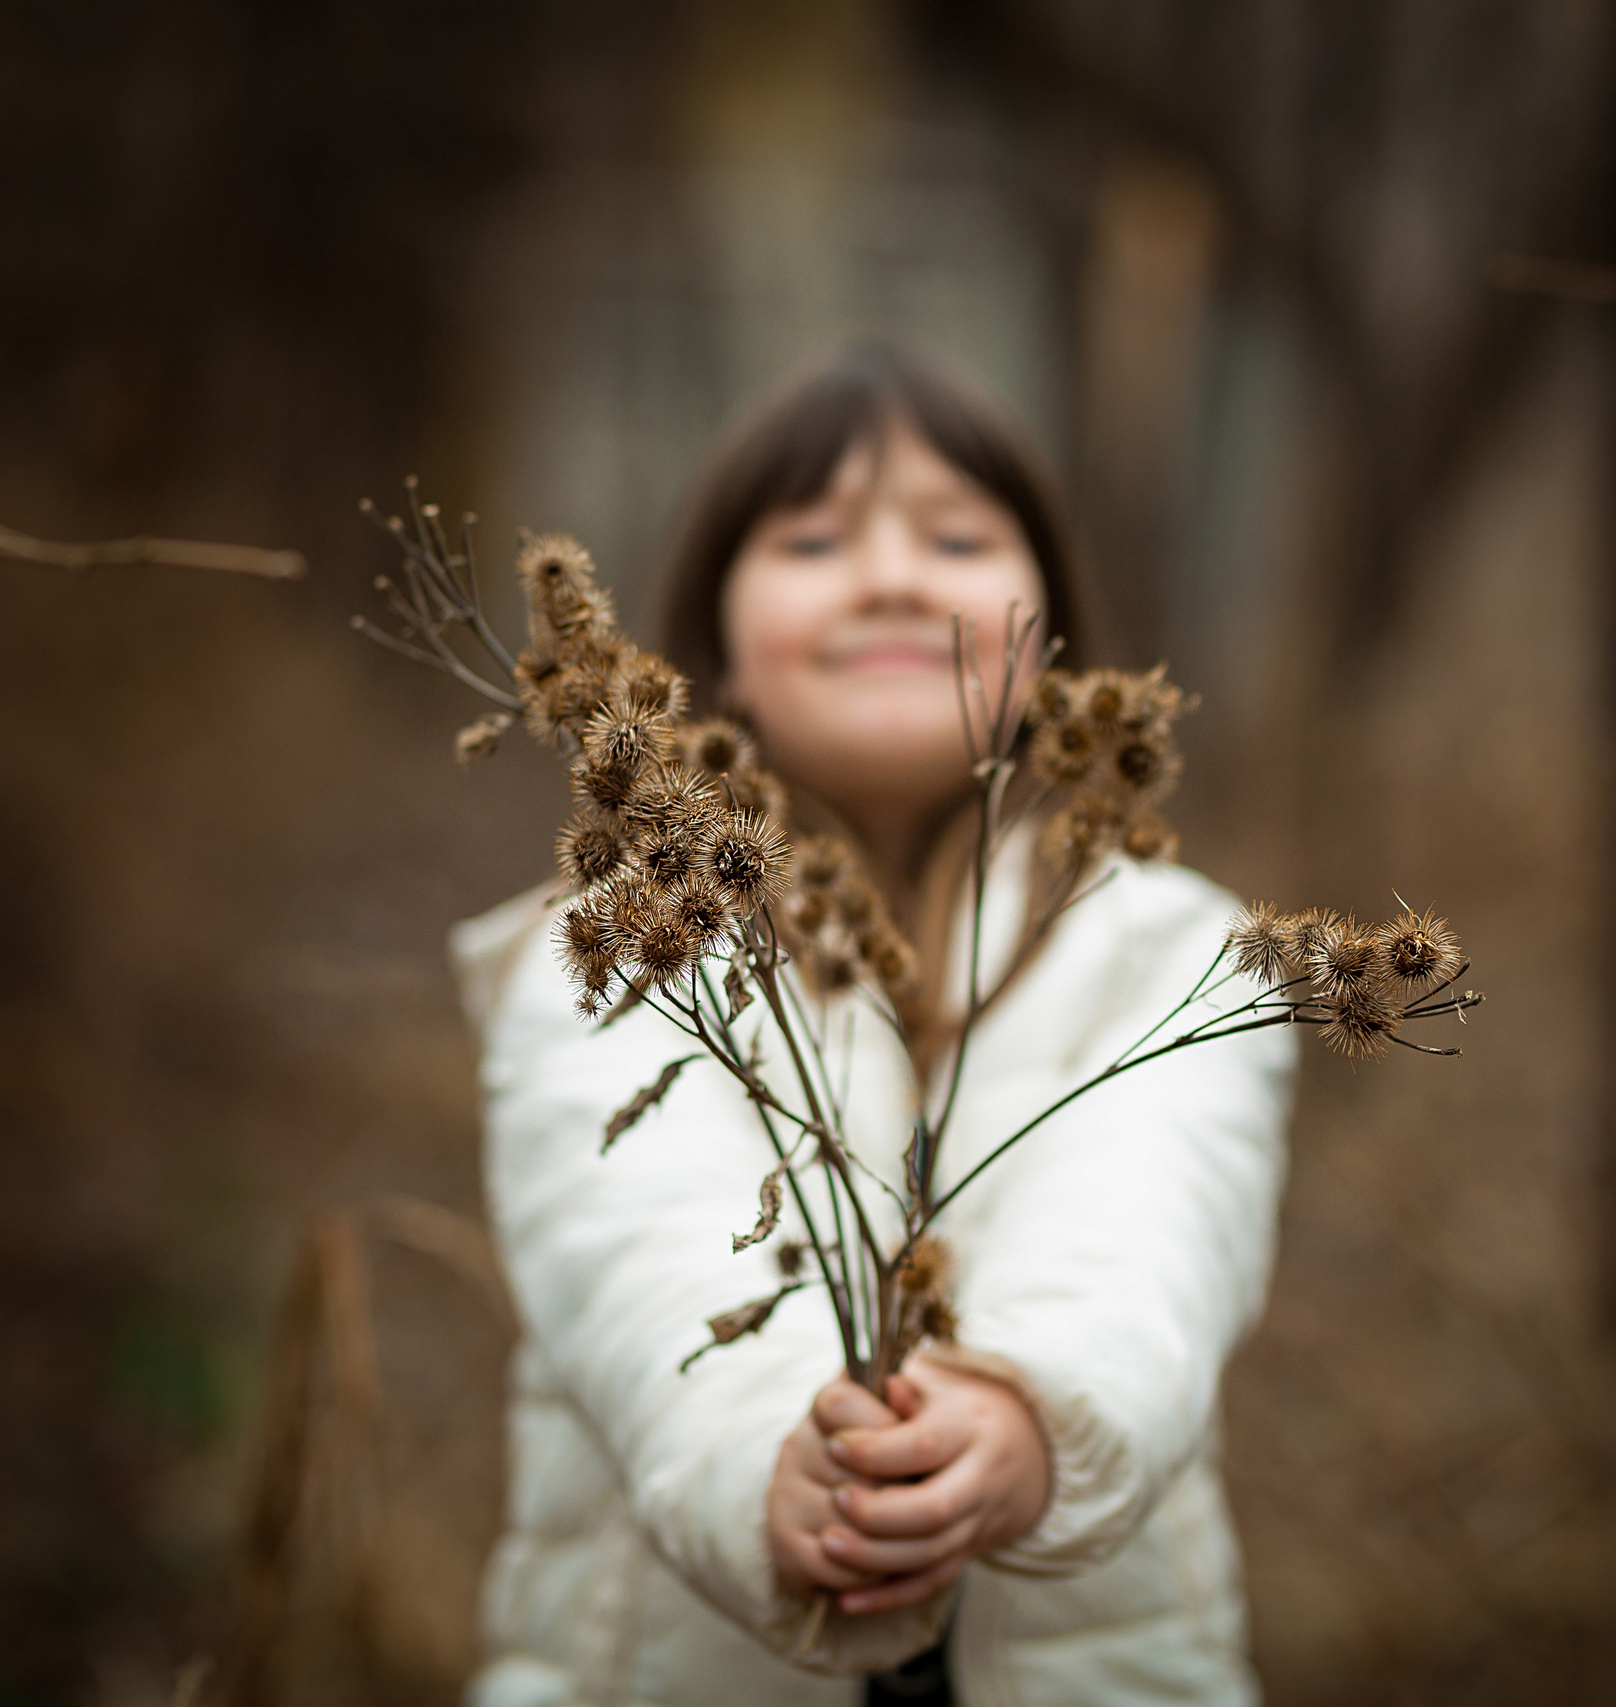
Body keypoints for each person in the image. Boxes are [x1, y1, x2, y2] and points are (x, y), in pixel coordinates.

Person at [452, 343, 1295, 1705]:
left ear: (1053, 640)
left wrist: (1035, 1415)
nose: (893, 575)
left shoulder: (1174, 955)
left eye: (956, 535)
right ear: (714, 649)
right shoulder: (615, 945)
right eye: (816, 539)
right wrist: (764, 1457)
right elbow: (637, 1241)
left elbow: (1152, 1228)